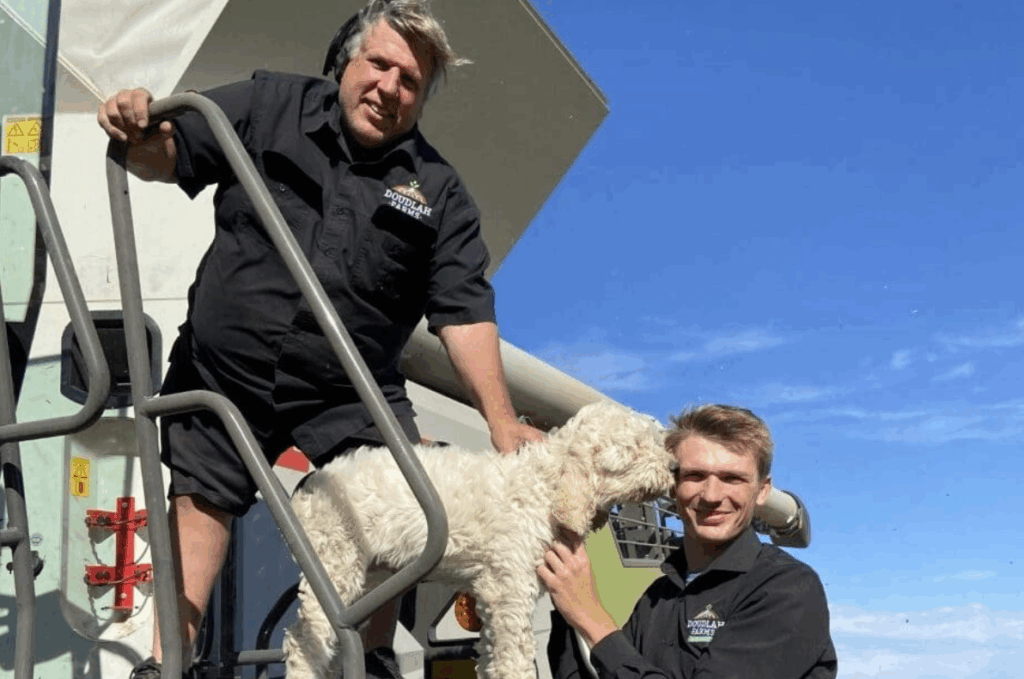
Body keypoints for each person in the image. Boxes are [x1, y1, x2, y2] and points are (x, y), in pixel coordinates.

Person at [96, 0, 544, 676]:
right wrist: (132, 126)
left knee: (397, 506)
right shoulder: (268, 104)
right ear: (347, 60)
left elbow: (465, 312)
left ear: (421, 100)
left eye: (411, 82)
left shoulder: (439, 192)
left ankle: (370, 662)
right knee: (198, 506)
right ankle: (169, 663)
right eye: (381, 64)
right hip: (226, 371)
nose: (390, 87)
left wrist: (502, 421)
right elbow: (170, 152)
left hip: (348, 387)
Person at [538, 404, 837, 679]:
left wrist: (590, 617)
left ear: (762, 491)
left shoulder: (787, 590)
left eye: (732, 478)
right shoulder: (658, 598)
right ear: (673, 485)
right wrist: (566, 597)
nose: (711, 495)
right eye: (695, 475)